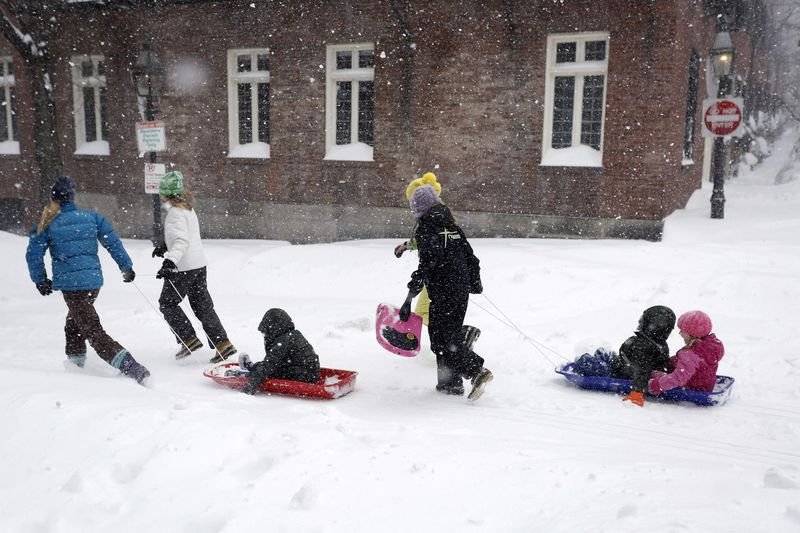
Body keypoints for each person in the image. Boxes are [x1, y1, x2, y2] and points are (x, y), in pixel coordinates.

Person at [25, 175, 150, 385]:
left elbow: (33, 254)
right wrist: (126, 266)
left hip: (73, 287)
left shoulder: (48, 223)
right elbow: (113, 242)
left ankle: (132, 367)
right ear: (72, 197)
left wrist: (40, 280)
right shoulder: (92, 217)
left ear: (54, 199)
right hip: (93, 282)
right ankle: (76, 369)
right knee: (74, 324)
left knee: (92, 330)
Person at [399, 182, 492, 400]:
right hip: (459, 292)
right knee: (445, 338)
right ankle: (449, 384)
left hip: (443, 293)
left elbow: (426, 266)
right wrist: (474, 283)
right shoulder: (453, 228)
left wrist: (409, 298)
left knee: (442, 341)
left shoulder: (427, 229)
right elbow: (471, 258)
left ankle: (476, 371)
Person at [153, 170, 237, 363]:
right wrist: (165, 246)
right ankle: (222, 344)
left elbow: (181, 241)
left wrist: (169, 261)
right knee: (203, 306)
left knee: (167, 303)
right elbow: (186, 236)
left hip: (183, 267)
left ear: (166, 194)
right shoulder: (187, 208)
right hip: (199, 265)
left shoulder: (174, 213)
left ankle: (188, 339)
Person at [393, 172, 442, 327]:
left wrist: (409, 297)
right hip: (445, 273)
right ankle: (451, 335)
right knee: (436, 310)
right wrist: (407, 245)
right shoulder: (441, 214)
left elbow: (429, 247)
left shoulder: (429, 221)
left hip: (437, 273)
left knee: (423, 312)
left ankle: (454, 336)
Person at [239, 308, 321, 395]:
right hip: (309, 372)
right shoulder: (292, 335)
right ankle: (254, 368)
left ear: (274, 329)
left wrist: (249, 386)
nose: (265, 336)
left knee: (269, 370)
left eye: (266, 333)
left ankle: (252, 372)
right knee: (269, 366)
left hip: (303, 376)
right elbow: (275, 361)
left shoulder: (283, 341)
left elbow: (270, 364)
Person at [648, 310, 724, 395]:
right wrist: (671, 362)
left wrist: (657, 385)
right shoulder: (708, 346)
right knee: (658, 374)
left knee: (653, 375)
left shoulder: (690, 354)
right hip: (705, 385)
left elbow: (678, 378)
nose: (680, 333)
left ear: (692, 334)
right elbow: (697, 364)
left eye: (683, 331)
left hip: (692, 388)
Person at [615, 305, 676, 406]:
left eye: (643, 320)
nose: (640, 322)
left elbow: (642, 369)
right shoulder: (660, 344)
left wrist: (637, 391)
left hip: (619, 371)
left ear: (651, 325)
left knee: (588, 363)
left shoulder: (643, 345)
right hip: (625, 366)